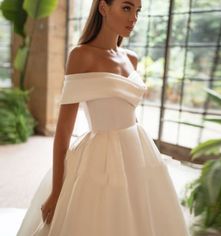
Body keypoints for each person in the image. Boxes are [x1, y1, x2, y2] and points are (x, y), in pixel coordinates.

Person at [17, 0, 190, 235]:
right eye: (126, 8)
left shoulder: (131, 58)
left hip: (138, 145)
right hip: (102, 150)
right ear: (103, 8)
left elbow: (127, 111)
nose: (134, 18)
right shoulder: (81, 55)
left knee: (142, 213)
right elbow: (63, 131)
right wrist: (57, 191)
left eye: (138, 11)